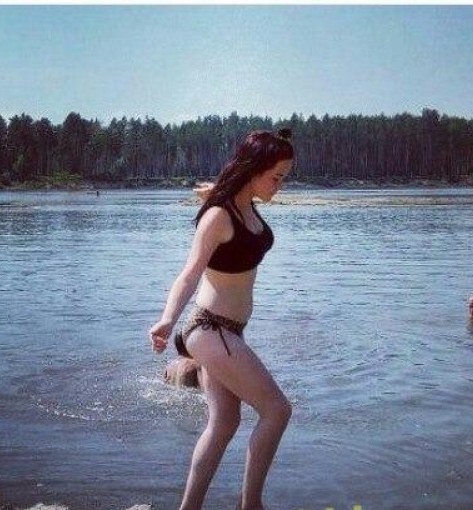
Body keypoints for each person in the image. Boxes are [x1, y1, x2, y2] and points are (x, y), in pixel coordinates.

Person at [149, 129, 294, 510]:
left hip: (230, 332)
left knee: (224, 424)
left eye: (284, 178)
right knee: (277, 411)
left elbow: (234, 202)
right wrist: (167, 320)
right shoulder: (218, 216)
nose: (280, 186)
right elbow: (189, 274)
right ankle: (251, 505)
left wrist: (220, 192)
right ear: (254, 169)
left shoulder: (243, 205)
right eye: (276, 177)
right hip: (210, 328)